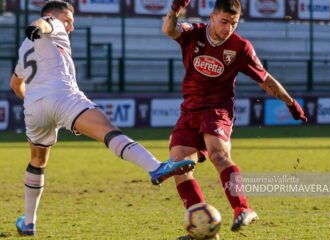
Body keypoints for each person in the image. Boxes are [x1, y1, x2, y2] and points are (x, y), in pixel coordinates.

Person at [9, 0, 195, 236]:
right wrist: (39, 26)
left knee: (37, 161)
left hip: (34, 108)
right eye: (68, 20)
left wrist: (32, 103)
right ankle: (155, 167)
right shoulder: (51, 24)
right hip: (63, 96)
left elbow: (15, 83)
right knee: (108, 131)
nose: (71, 27)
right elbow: (44, 23)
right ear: (54, 16)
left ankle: (28, 221)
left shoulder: (24, 47)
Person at [162, 0, 307, 238]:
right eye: (224, 21)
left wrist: (290, 102)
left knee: (219, 154)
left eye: (234, 23)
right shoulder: (194, 33)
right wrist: (174, 11)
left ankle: (243, 208)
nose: (228, 28)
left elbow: (265, 79)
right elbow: (170, 30)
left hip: (218, 110)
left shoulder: (241, 47)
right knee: (179, 166)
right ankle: (204, 230)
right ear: (212, 16)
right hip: (189, 111)